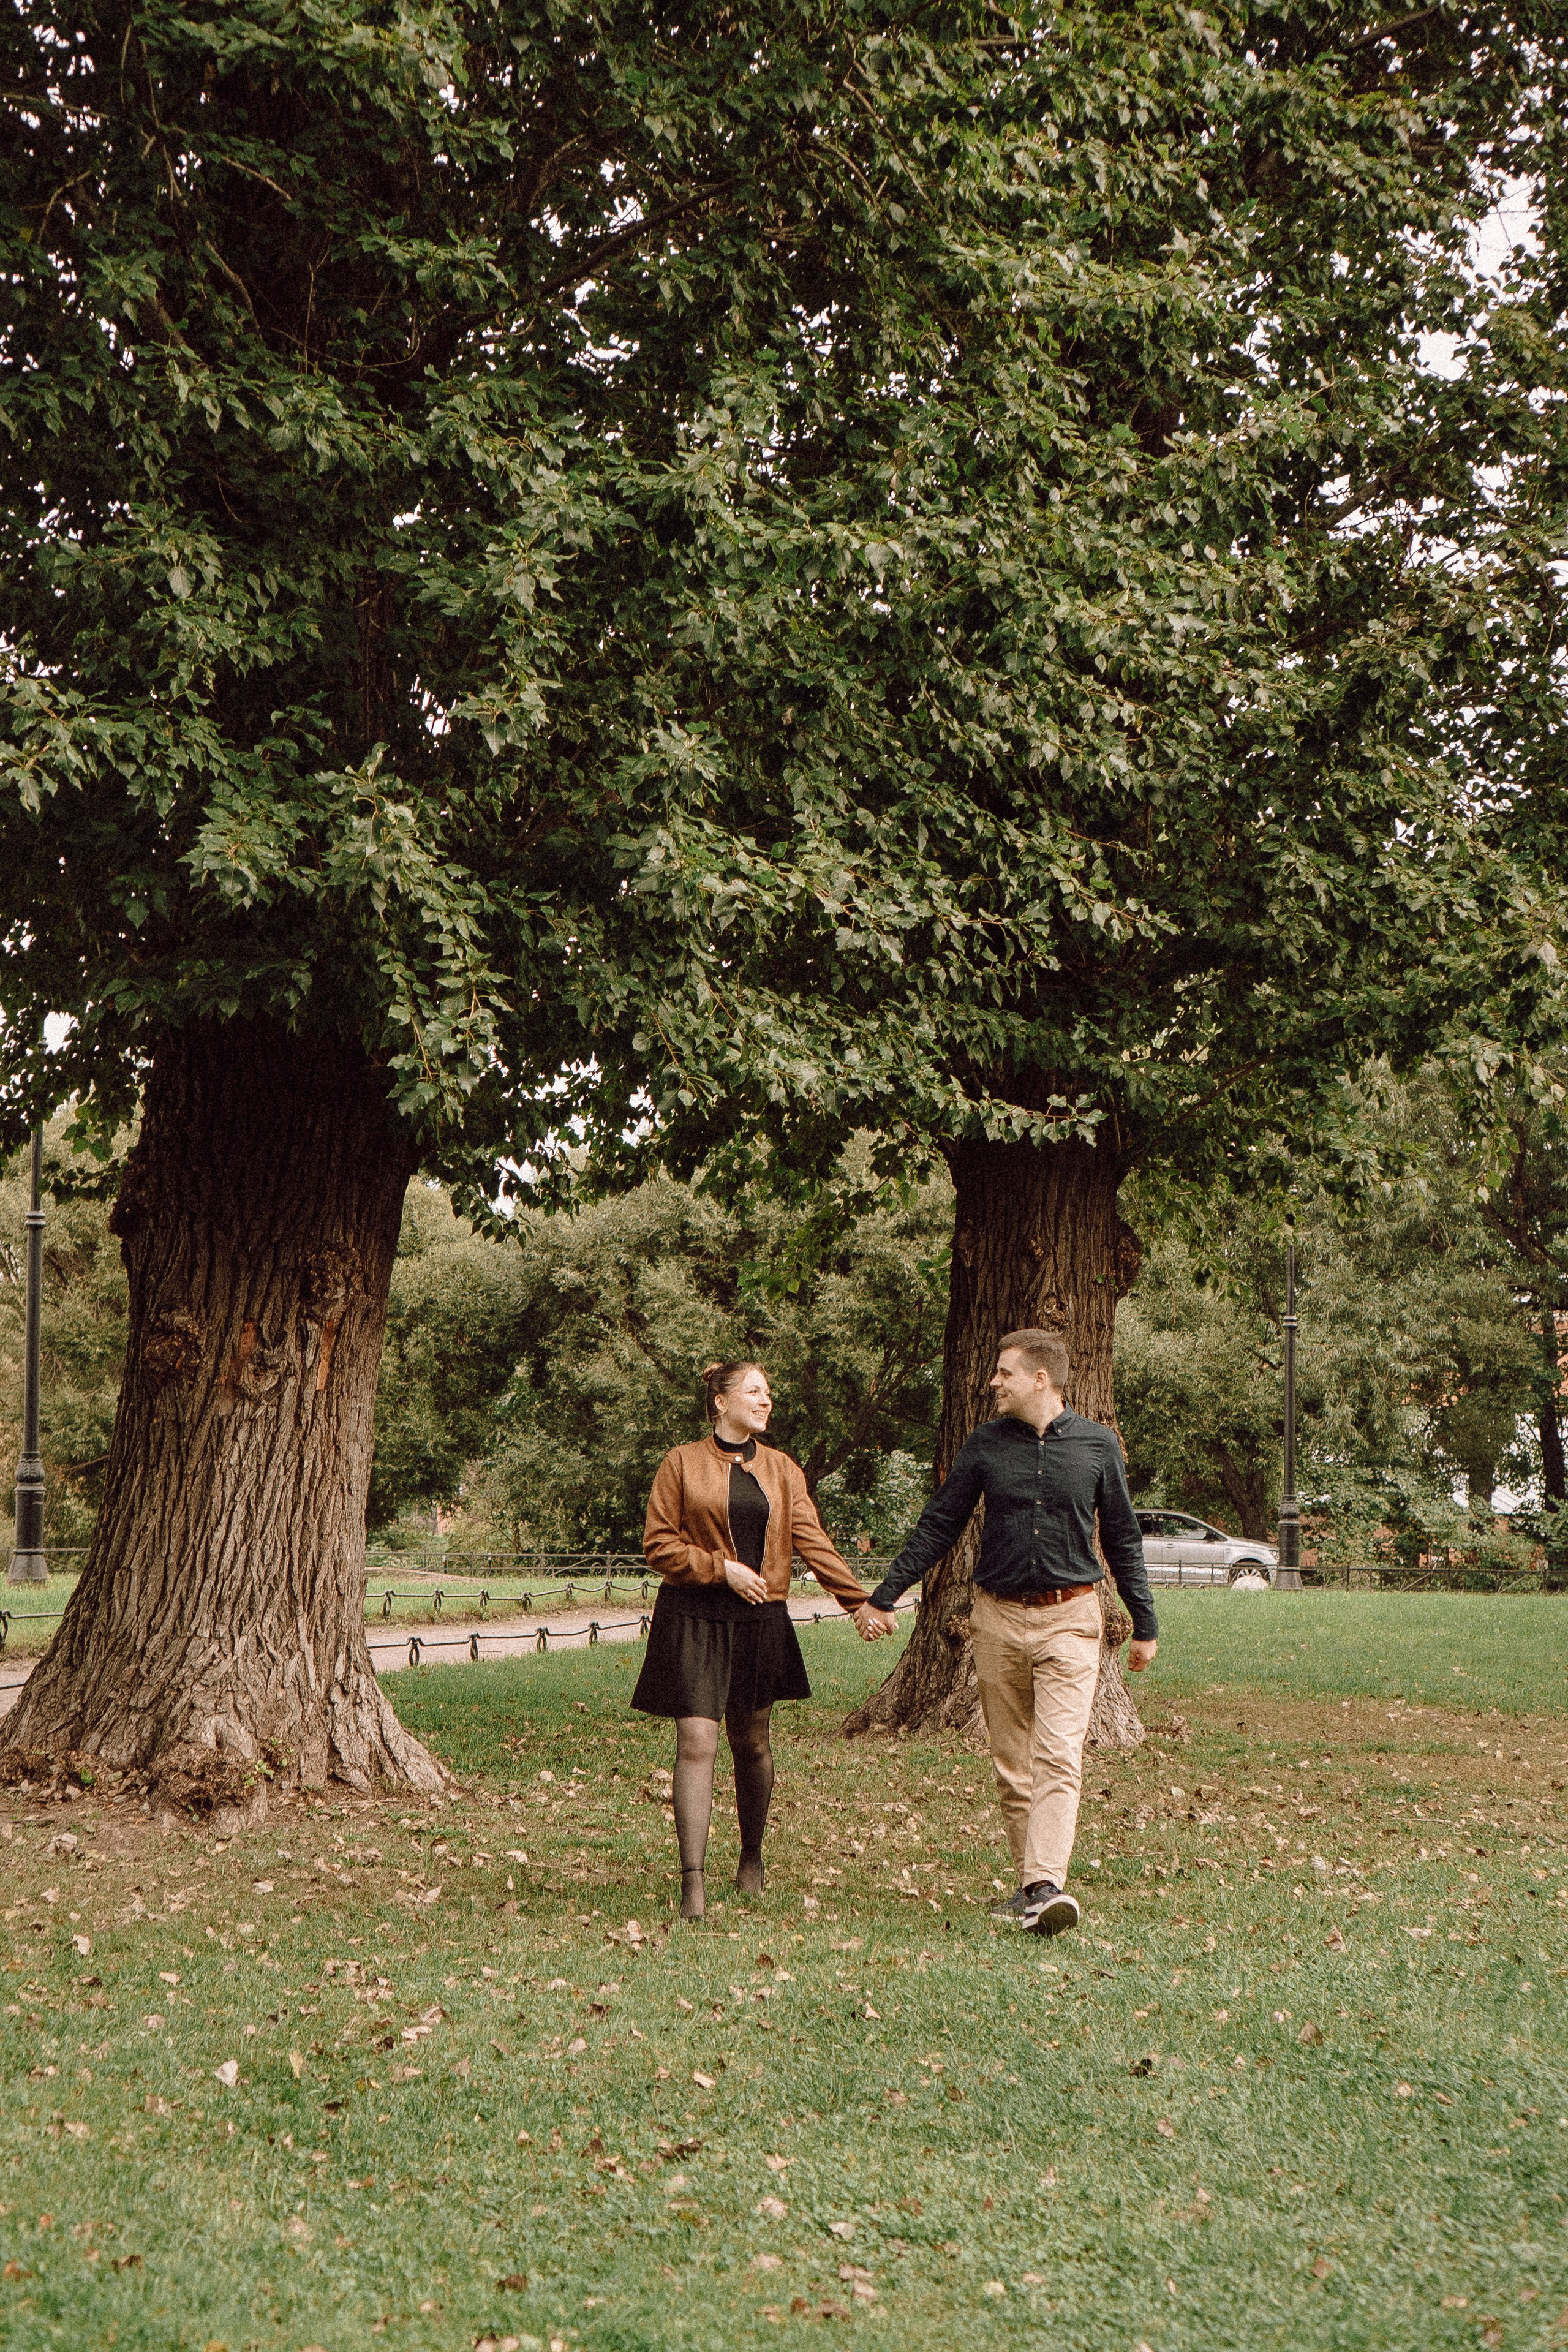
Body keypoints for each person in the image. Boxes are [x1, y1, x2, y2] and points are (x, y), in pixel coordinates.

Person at [858, 1329, 1158, 1936]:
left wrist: (1144, 1622)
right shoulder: (986, 1446)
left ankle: (1047, 1883)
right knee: (1012, 1761)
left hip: (1072, 1620)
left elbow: (1123, 1538)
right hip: (996, 1618)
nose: (993, 1382)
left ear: (1040, 1379)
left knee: (1057, 1755)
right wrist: (885, 1593)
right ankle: (1031, 1890)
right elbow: (940, 1523)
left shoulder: (1097, 1447)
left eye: (1004, 1373)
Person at [635, 1360, 877, 1920]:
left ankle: (751, 1856)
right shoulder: (681, 1463)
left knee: (753, 1743)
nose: (766, 1401)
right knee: (697, 1742)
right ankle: (692, 1883)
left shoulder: (783, 1469)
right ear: (721, 1402)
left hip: (760, 1621)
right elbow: (658, 1544)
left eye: (768, 1392)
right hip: (694, 1615)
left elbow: (811, 1541)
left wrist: (859, 1602)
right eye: (753, 1391)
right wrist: (721, 1570)